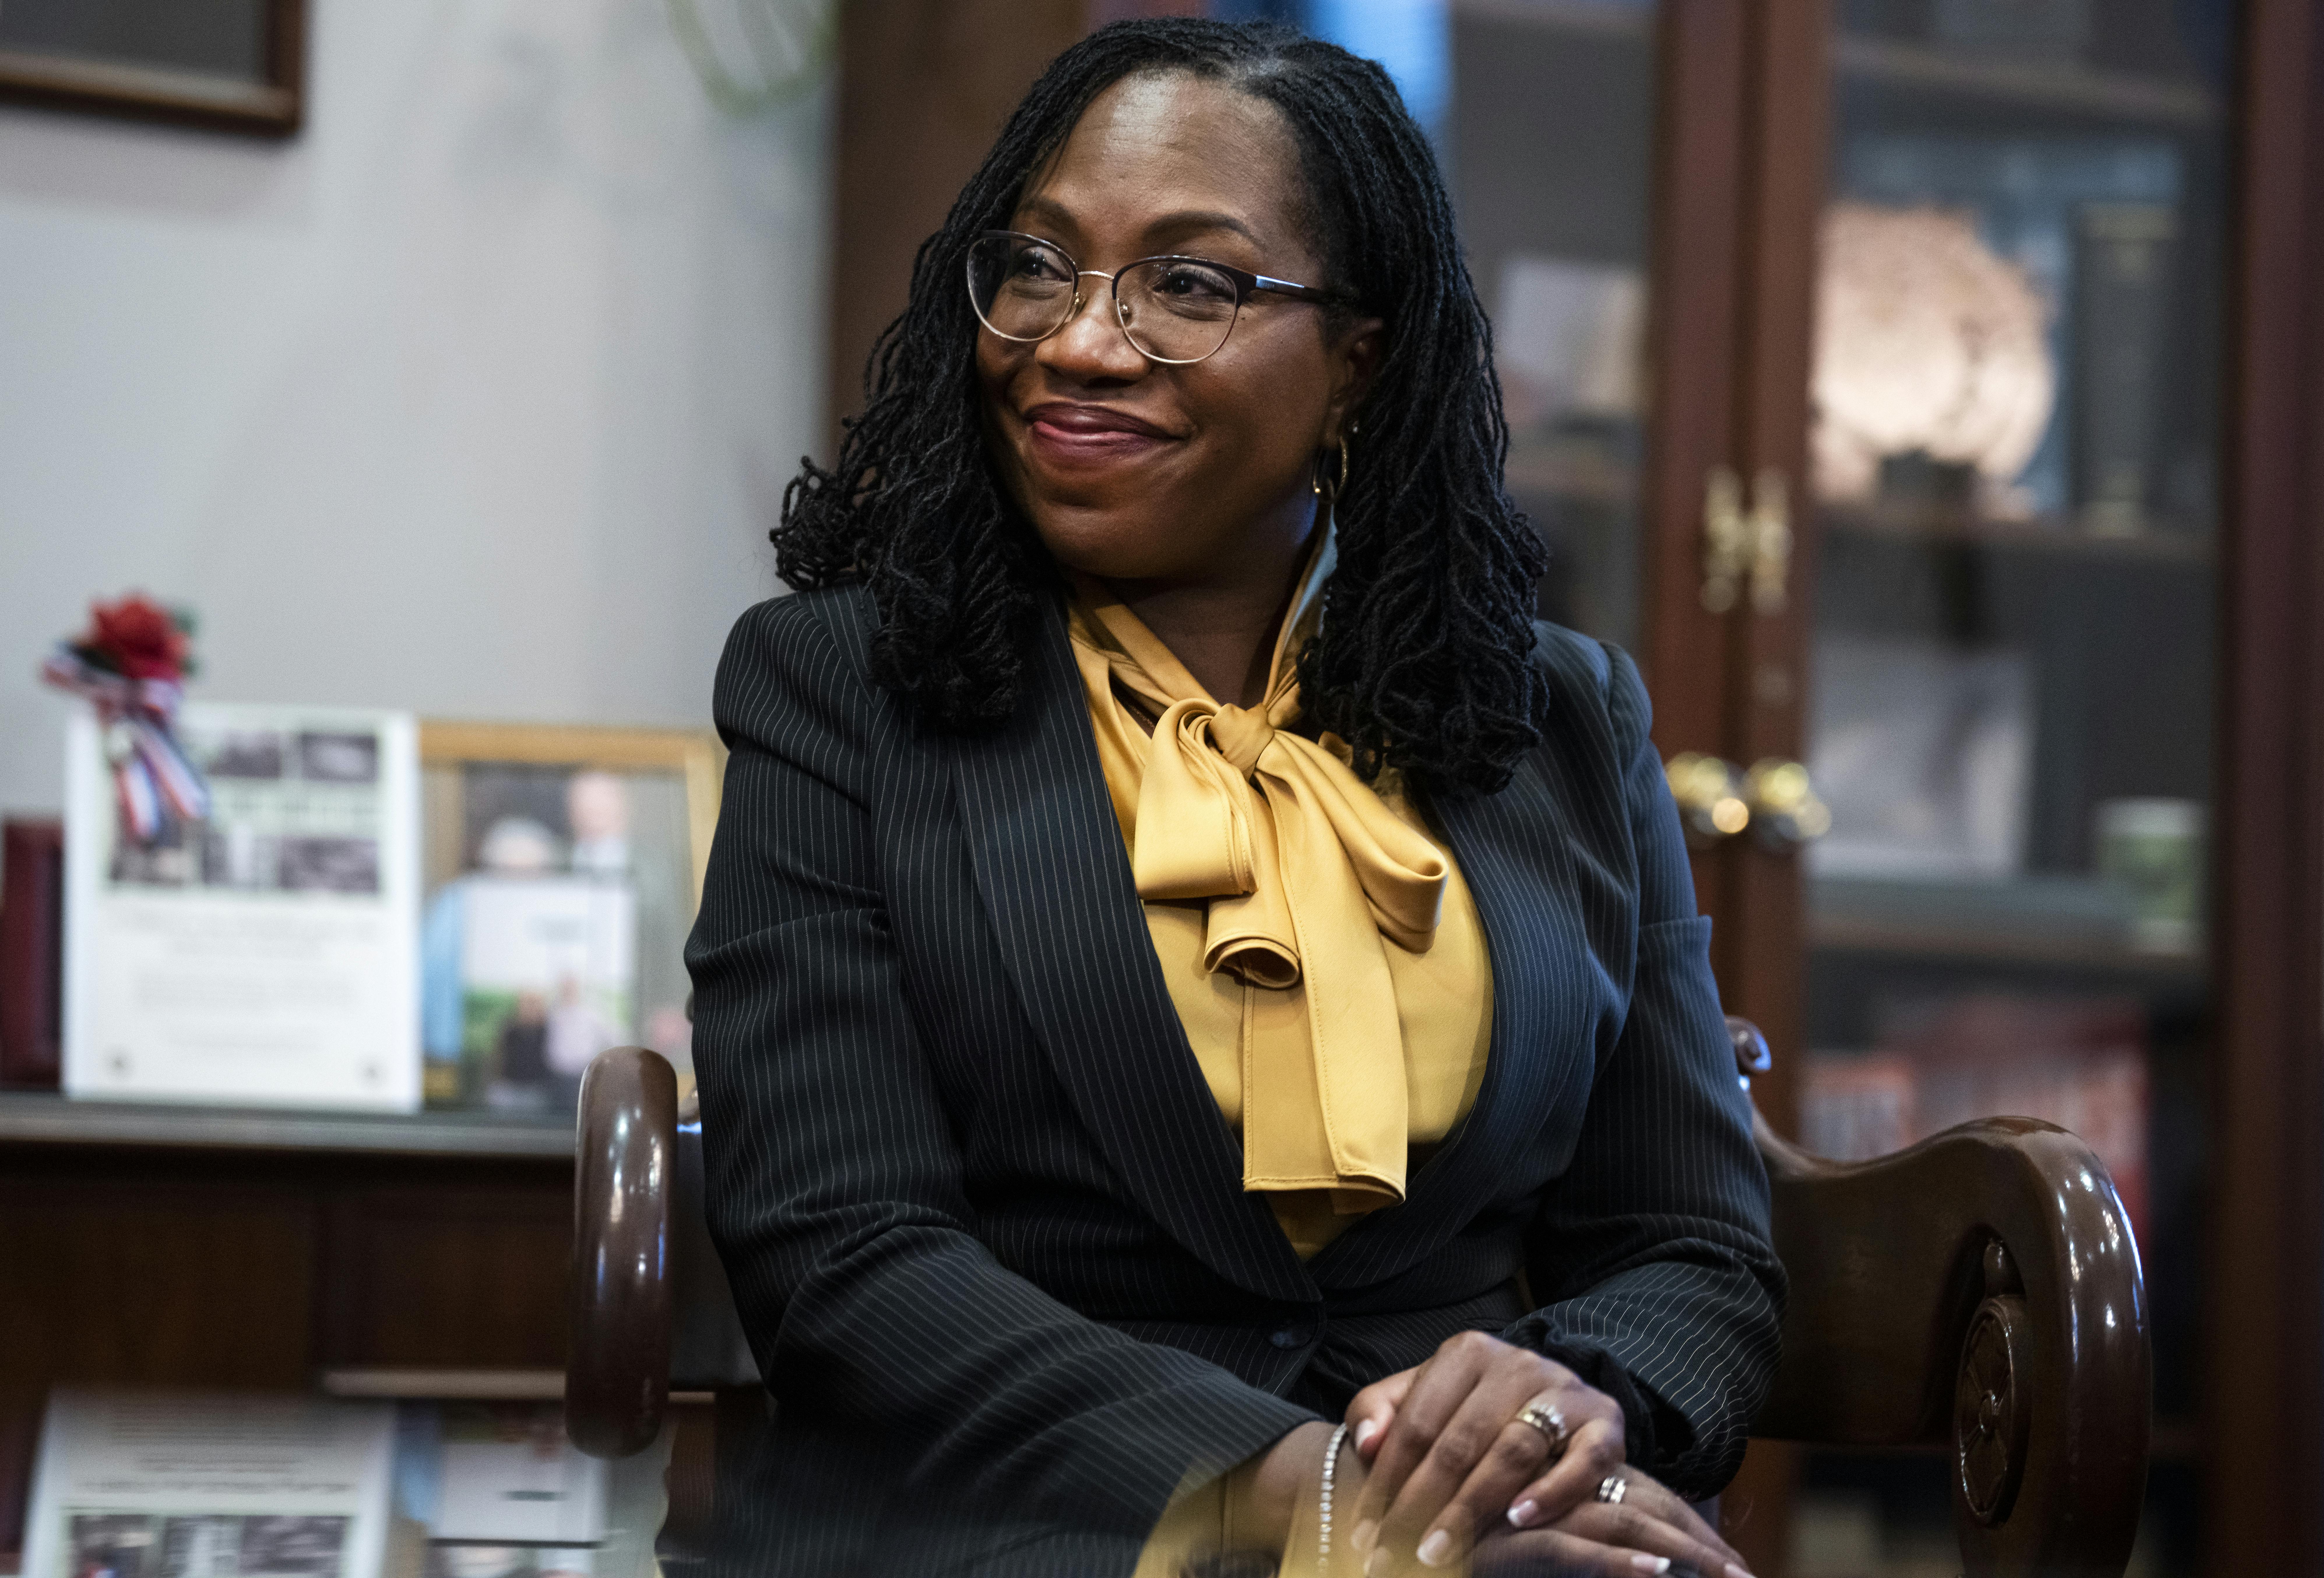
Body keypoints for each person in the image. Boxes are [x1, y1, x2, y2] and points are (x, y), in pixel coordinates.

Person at [687, 19, 1782, 1576]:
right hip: (1015, 1530)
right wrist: (1303, 1495)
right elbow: (844, 1248)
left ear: (1362, 359)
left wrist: (1540, 1431)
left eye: (1189, 285)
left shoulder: (1562, 724)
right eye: (1039, 267)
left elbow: (1688, 1249)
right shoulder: (835, 690)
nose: (1076, 340)